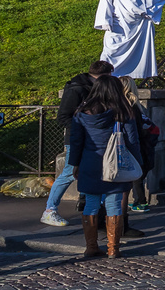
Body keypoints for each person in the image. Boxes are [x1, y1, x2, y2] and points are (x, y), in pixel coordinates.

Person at [65, 75, 142, 259]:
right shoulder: (124, 111)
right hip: (116, 163)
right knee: (114, 203)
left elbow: (76, 142)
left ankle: (91, 246)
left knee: (91, 203)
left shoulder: (82, 112)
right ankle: (113, 248)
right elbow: (133, 141)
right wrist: (138, 164)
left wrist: (74, 164)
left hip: (90, 162)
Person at [44, 60, 112, 226]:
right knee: (68, 173)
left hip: (91, 138)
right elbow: (63, 117)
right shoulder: (76, 90)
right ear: (101, 77)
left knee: (92, 174)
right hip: (78, 138)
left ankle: (94, 210)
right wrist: (83, 127)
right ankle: (49, 210)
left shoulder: (95, 88)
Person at [94, 0, 165, 77]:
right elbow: (105, 4)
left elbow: (159, 2)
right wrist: (105, 21)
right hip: (118, 25)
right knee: (110, 51)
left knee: (138, 54)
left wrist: (149, 13)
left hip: (139, 26)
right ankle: (106, 76)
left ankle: (133, 77)